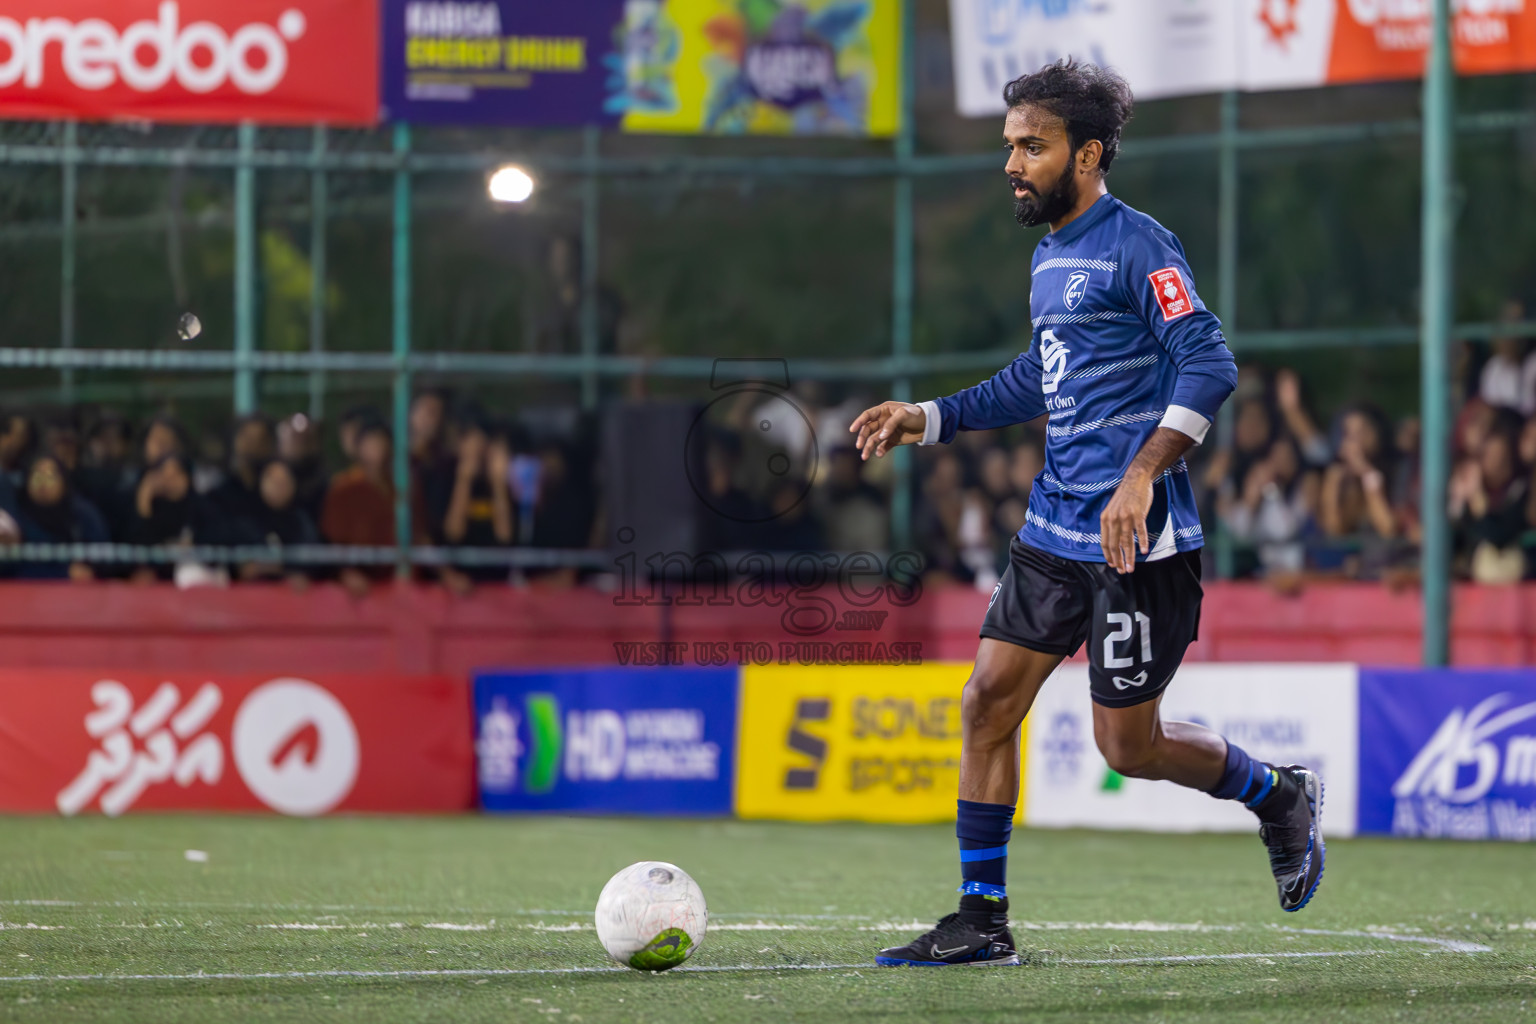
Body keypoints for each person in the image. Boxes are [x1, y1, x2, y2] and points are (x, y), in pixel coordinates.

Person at [848, 59, 1322, 968]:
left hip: (1139, 541)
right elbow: (1041, 377)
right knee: (986, 702)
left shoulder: (1139, 245)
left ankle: (1277, 794)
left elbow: (1209, 362)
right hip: (1055, 528)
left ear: (1090, 153)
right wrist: (932, 417)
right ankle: (981, 921)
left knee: (1127, 745)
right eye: (1009, 146)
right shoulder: (1050, 256)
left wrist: (1143, 473)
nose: (1012, 163)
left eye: (1032, 145)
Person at [2, 453, 109, 580]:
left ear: (63, 481)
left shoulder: (82, 515)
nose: (43, 483)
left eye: (50, 476)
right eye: (37, 476)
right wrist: (62, 574)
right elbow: (10, 569)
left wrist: (86, 571)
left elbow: (103, 560)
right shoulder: (16, 518)